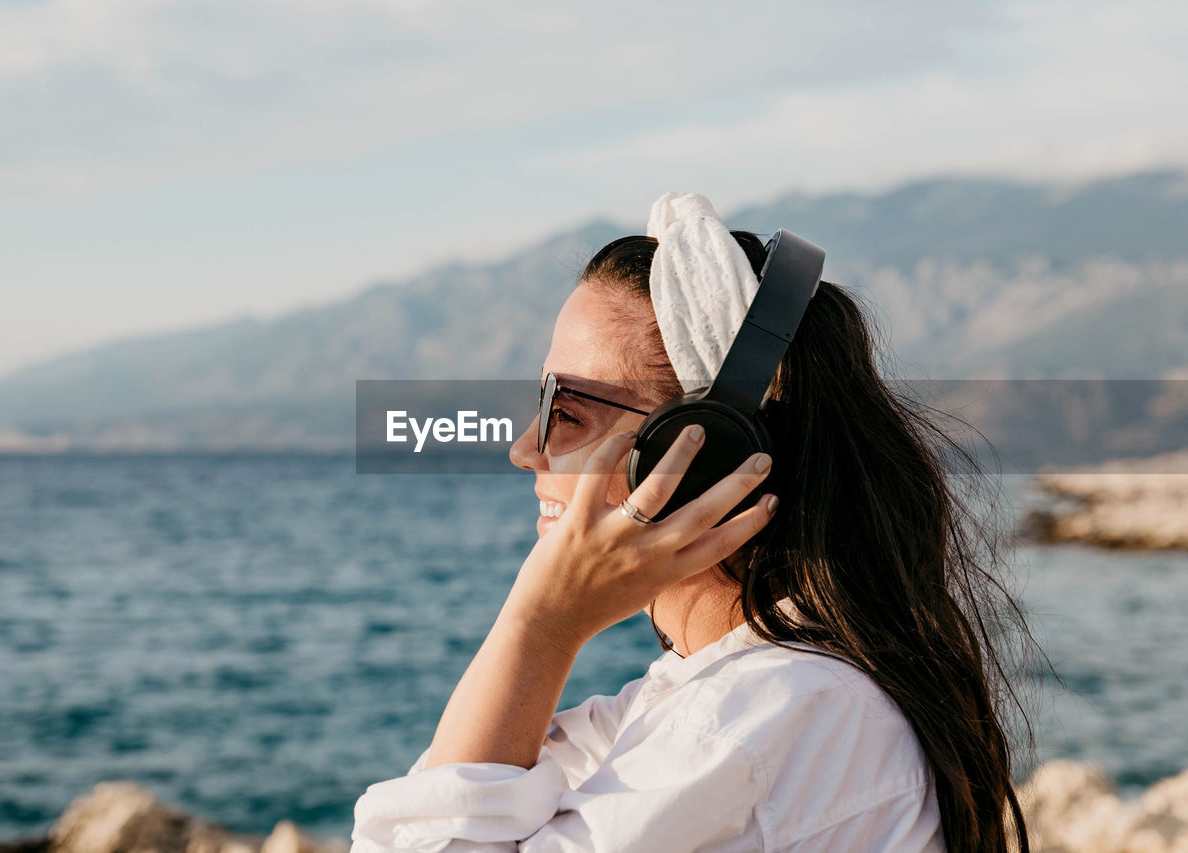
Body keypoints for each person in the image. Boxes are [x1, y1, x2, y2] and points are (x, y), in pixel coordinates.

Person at [350, 193, 1033, 852]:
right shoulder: (736, 696)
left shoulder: (755, 725)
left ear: (705, 446)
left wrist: (539, 626)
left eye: (567, 410)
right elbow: (462, 794)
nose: (526, 448)